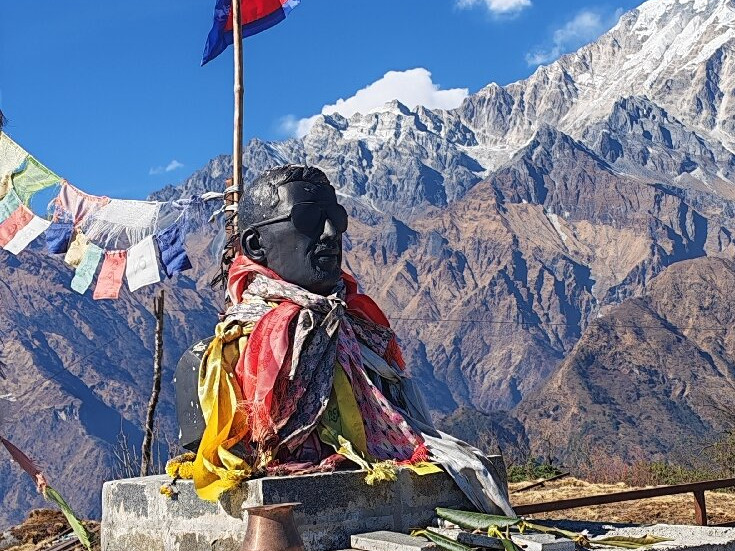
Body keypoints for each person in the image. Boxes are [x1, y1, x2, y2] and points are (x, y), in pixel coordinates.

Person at [173, 164, 512, 514]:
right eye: (308, 218)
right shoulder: (207, 367)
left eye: (336, 217)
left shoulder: (366, 343)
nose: (331, 232)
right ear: (256, 245)